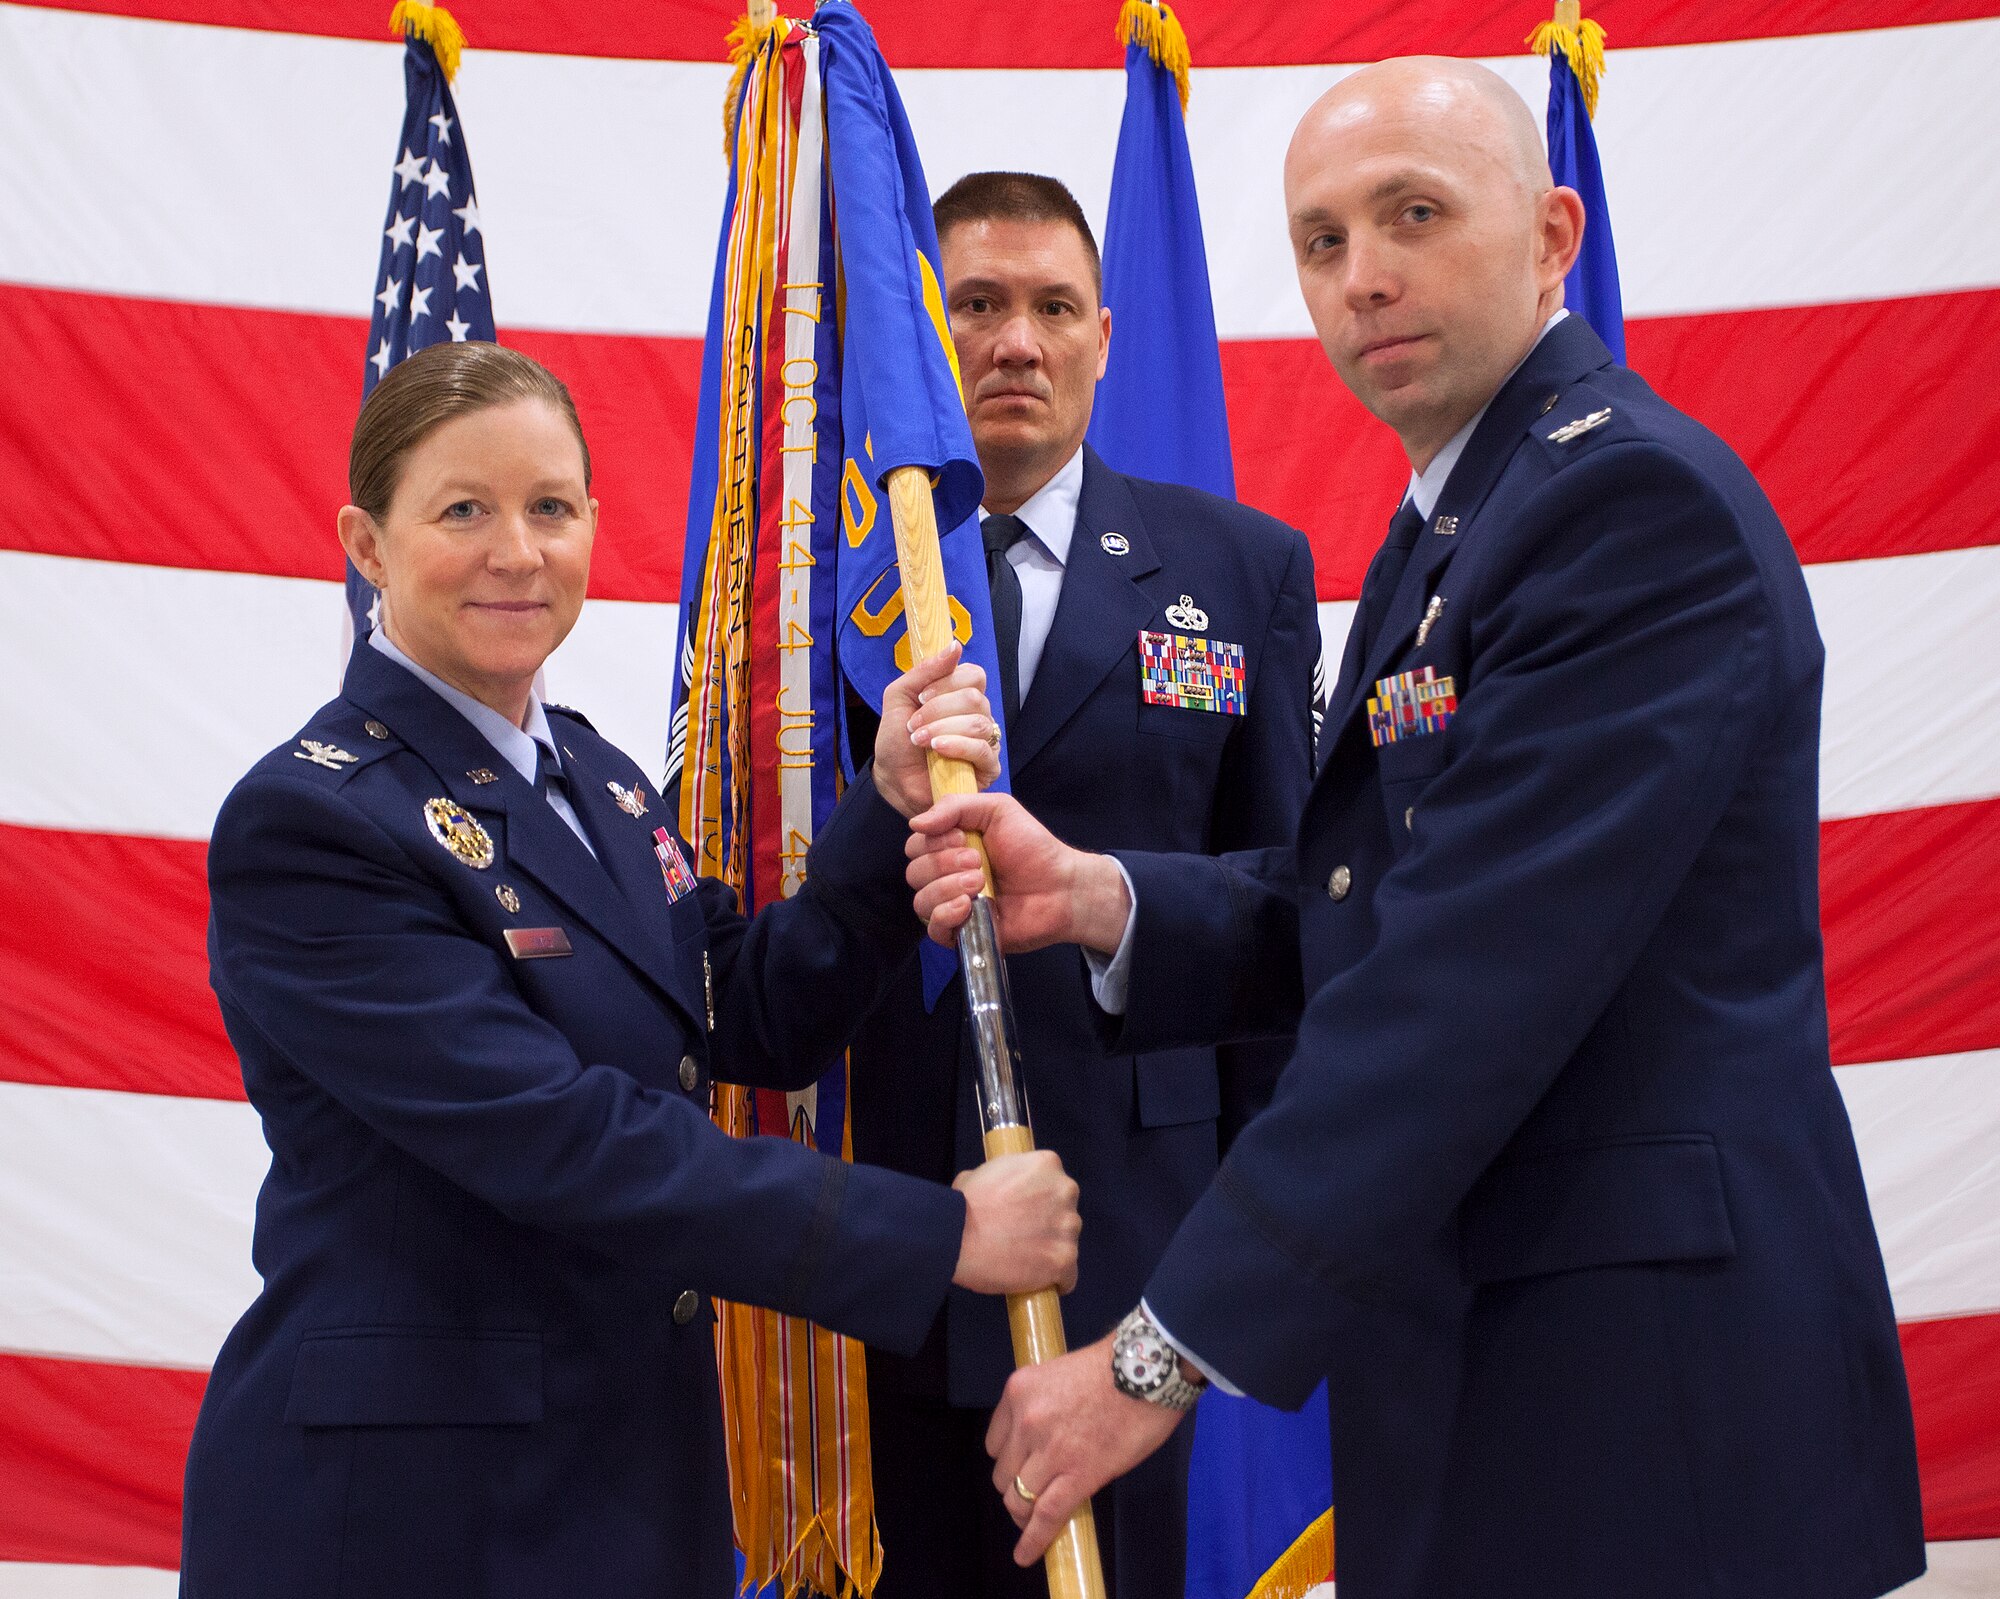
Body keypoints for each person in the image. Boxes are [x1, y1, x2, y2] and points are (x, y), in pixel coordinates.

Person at [905, 59, 1925, 1599]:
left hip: (1638, 1390)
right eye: (1320, 241)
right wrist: (1111, 898)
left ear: (1551, 232)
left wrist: (1154, 1354)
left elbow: (1462, 979)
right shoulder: (1467, 517)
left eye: (1416, 214)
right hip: (1511, 1351)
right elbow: (1377, 888)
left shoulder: (1620, 509)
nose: (1363, 276)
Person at [178, 340, 1083, 1599]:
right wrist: (935, 1237)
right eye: (462, 511)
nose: (517, 550)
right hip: (410, 1515)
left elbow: (746, 1014)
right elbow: (564, 1138)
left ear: (595, 525)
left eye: (550, 507)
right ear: (365, 544)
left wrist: (884, 816)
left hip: (619, 1482)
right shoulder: (312, 825)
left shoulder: (594, 785)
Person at [844, 172, 1319, 1599]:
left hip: (1136, 1235)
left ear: (1106, 334)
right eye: (974, 305)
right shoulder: (835, 577)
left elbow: (1287, 903)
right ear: (925, 328)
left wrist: (1263, 1235)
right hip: (885, 1219)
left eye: (1053, 307)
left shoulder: (1240, 569)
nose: (1015, 342)